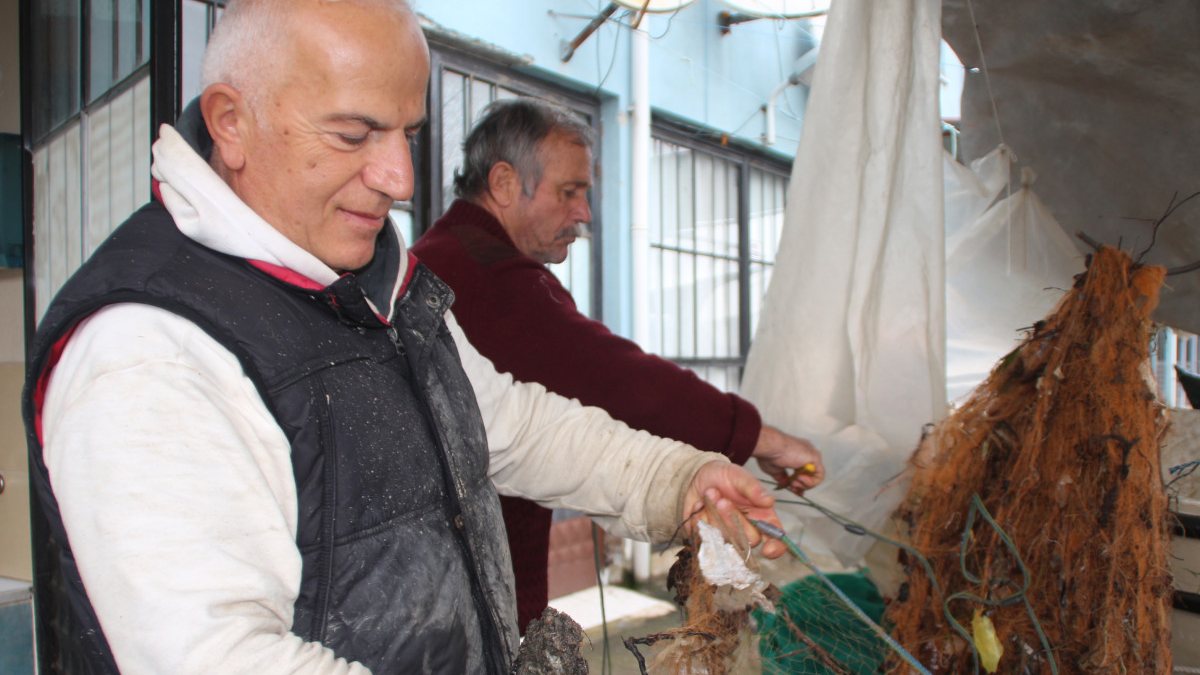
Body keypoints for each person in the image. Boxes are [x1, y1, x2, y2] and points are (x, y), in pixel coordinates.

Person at [20, 2, 787, 673]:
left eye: (406, 133)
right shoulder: (150, 345)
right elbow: (216, 656)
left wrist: (673, 479)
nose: (398, 178)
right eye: (355, 134)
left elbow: (504, 424)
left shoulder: (385, 283)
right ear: (231, 122)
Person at [412, 98, 826, 631]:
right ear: (505, 183)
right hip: (462, 600)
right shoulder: (480, 272)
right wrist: (762, 439)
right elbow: (619, 383)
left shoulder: (451, 255)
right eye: (570, 192)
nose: (584, 212)